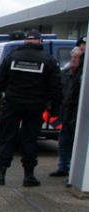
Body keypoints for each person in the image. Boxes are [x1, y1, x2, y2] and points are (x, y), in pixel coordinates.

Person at [0, 30, 62, 187]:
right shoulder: (48, 60)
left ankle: (0, 174)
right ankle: (29, 176)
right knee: (30, 139)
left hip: (12, 104)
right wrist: (55, 109)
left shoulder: (12, 57)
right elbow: (56, 87)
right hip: (35, 106)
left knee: (7, 138)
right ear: (40, 42)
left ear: (24, 42)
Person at [51, 45, 85, 178]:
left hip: (77, 115)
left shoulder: (83, 75)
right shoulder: (66, 73)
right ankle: (63, 167)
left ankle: (73, 171)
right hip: (66, 115)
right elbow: (61, 92)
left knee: (75, 144)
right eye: (72, 57)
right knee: (64, 142)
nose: (74, 60)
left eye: (77, 57)